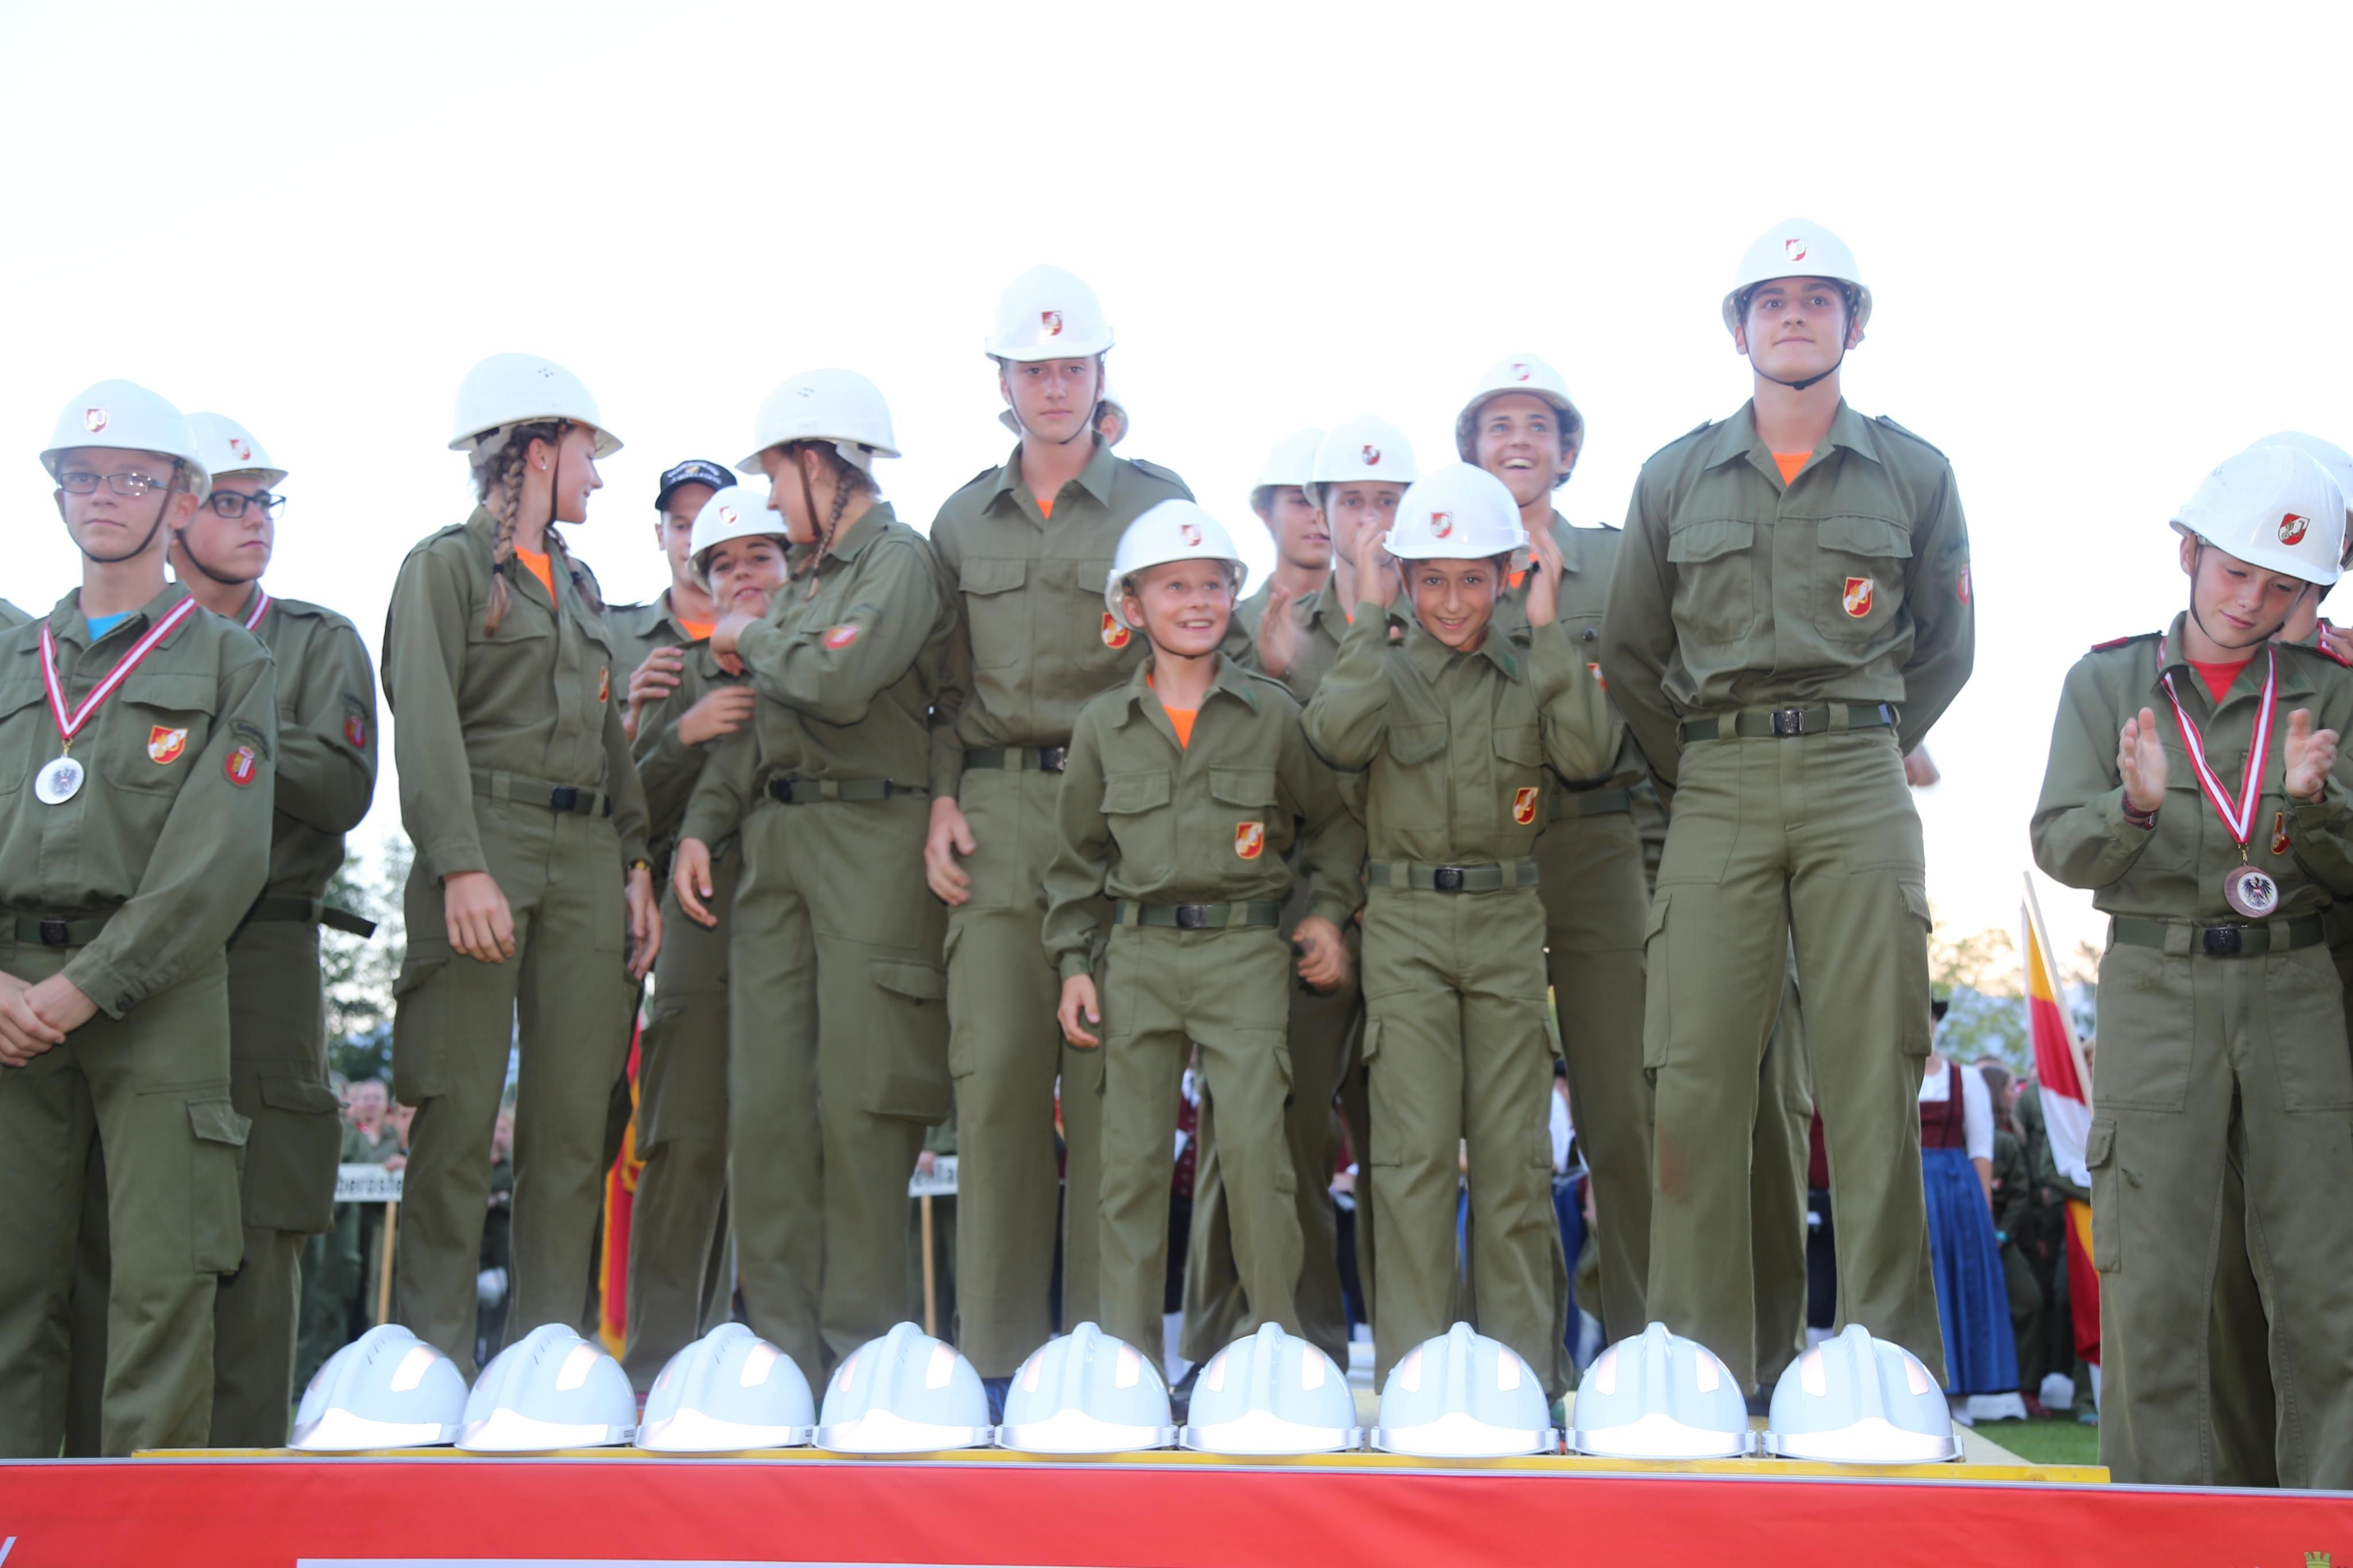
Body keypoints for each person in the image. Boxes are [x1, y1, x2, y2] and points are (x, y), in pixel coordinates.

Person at [1600, 219, 1974, 1395]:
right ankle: (1694, 1373)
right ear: (1737, 329)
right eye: (1771, 301)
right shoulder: (1673, 476)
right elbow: (1630, 652)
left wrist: (1868, 743)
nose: (1795, 316)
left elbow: (1947, 646)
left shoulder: (1914, 472)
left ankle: (1885, 1372)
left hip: (1858, 778)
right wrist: (1702, 767)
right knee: (1693, 1080)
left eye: (1819, 300)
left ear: (1855, 324)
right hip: (1712, 779)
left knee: (1869, 1080)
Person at [2032, 443, 2353, 1487]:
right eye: (2236, 571)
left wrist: (2317, 804)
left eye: (2283, 587)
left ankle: (2327, 1523)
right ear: (2188, 551)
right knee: (2153, 1277)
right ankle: (2155, 1527)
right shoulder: (2105, 681)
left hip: (2294, 984)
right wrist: (2130, 808)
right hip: (2156, 983)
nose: (2252, 601)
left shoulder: (2330, 695)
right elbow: (2058, 843)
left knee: (2323, 1281)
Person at [922, 267, 1196, 1393]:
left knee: (1114, 1096)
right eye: (1032, 371)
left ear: (1099, 374)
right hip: (993, 814)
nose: (1052, 387)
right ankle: (995, 1368)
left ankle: (1109, 1366)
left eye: (1071, 368)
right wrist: (942, 797)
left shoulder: (1157, 507)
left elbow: (1193, 661)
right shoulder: (956, 520)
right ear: (1002, 382)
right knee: (994, 1087)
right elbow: (937, 689)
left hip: (1121, 812)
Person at [0, 380, 277, 1455]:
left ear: (179, 501)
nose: (103, 495)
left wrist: (86, 987)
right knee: (12, 1285)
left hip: (155, 992)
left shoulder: (230, 660)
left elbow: (214, 862)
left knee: (162, 1285)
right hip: (12, 996)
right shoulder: (13, 659)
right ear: (56, 497)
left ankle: (143, 1528)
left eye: (131, 477)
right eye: (82, 476)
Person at [1303, 462, 1614, 1403]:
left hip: (1508, 922)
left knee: (1515, 1161)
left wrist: (1549, 628)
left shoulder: (1530, 668)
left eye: (1473, 578)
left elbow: (1589, 754)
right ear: (1402, 576)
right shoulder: (1380, 664)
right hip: (1403, 926)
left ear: (1507, 574)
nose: (1450, 599)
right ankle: (1416, 1380)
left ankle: (1524, 1380)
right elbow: (1335, 738)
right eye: (1430, 578)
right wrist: (1366, 616)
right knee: (1412, 1164)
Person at [383, 353, 659, 1374]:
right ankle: (429, 1371)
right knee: (457, 1121)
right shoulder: (444, 568)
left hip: (587, 857)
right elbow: (426, 729)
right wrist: (459, 865)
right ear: (539, 451)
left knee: (575, 1127)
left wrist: (635, 858)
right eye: (588, 452)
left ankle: (545, 1369)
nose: (599, 475)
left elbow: (609, 738)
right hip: (484, 841)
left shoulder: (580, 586)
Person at [676, 369, 952, 1374]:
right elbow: (759, 727)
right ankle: (782, 1356)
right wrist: (702, 827)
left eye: (775, 475)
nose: (769, 498)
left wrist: (748, 633)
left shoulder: (897, 561)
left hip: (870, 841)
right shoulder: (810, 584)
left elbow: (835, 678)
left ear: (818, 462)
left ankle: (862, 1356)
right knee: (767, 1112)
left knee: (860, 1109)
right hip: (777, 846)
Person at [1044, 501, 1362, 1363]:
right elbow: (1074, 863)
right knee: (1130, 1171)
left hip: (1244, 954)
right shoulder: (1103, 726)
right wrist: (1074, 963)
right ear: (1132, 606)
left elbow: (1335, 826)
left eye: (1214, 585)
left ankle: (1275, 1354)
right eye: (1173, 586)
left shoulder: (1273, 715)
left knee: (1259, 1162)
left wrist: (1327, 913)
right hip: (1137, 956)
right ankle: (1129, 1368)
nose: (1197, 602)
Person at [167, 411, 380, 1444]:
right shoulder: (123, 640)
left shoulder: (314, 639)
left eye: (266, 502)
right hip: (138, 952)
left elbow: (341, 787)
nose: (257, 520)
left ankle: (245, 1472)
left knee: (262, 1213)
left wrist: (224, 709)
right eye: (230, 501)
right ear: (174, 515)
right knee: (127, 1219)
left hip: (267, 945)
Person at [1456, 354, 1659, 1348]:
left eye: (1538, 426)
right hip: (1485, 854)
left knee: (1624, 1112)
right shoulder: (1442, 566)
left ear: (1568, 453)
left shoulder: (1617, 565)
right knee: (1502, 1129)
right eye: (1498, 426)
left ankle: (1642, 1343)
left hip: (1598, 842)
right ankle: (1519, 1355)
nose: (1519, 442)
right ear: (1471, 453)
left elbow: (1649, 707)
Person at [1179, 422, 1388, 1377]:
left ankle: (1417, 1355)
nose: (1318, 517)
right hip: (1284, 910)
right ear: (1263, 512)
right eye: (1297, 500)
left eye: (1330, 499)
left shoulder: (1421, 604)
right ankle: (1267, 1351)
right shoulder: (1224, 624)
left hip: (1406, 901)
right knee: (1265, 1142)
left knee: (1404, 1151)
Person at [609, 464, 760, 1390]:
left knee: (787, 1142)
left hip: (803, 910)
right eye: (691, 530)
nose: (723, 561)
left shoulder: (808, 641)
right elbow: (625, 805)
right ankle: (657, 1367)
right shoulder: (651, 654)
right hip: (694, 916)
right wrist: (678, 730)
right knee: (686, 1137)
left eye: (749, 550)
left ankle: (766, 1360)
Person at [1916, 1029, 2017, 1415]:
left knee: (1958, 1283)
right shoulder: (1889, 1074)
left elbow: (1980, 1146)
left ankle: (1959, 1396)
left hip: (1955, 1192)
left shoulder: (1966, 1078)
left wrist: (1983, 1210)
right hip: (1908, 1185)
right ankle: (1917, 1393)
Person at [1978, 1060, 2047, 1412]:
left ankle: (2026, 1388)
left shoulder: (2009, 1139)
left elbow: (2020, 1193)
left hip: (2006, 1241)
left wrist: (2003, 1234)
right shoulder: (1971, 1137)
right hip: (1972, 1242)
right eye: (2008, 1088)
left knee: (2030, 1302)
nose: (2015, 1094)